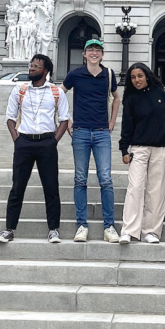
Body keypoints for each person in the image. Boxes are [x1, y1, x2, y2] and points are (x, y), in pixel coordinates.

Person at [0, 54, 69, 245]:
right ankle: (9, 229)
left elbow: (64, 119)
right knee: (17, 187)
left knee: (51, 187)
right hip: (24, 142)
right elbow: (10, 117)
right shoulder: (19, 90)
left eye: (36, 67)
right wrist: (17, 139)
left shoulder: (56, 92)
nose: (31, 69)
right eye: (31, 66)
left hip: (47, 142)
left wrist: (54, 140)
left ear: (46, 71)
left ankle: (53, 229)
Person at [63, 38, 121, 243]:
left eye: (98, 50)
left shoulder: (109, 74)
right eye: (90, 50)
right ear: (84, 54)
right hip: (79, 131)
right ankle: (81, 225)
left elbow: (117, 98)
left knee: (105, 179)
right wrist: (66, 119)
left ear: (102, 54)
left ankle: (109, 227)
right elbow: (59, 94)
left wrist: (112, 120)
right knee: (80, 179)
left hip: (101, 132)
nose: (94, 53)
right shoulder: (75, 74)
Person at [118, 63, 165, 244]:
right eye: (133, 77)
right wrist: (124, 148)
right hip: (138, 148)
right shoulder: (131, 99)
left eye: (140, 76)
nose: (137, 80)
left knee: (155, 190)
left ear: (147, 76)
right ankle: (129, 230)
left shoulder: (160, 94)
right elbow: (127, 125)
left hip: (159, 147)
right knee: (135, 187)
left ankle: (151, 231)